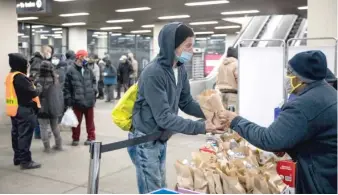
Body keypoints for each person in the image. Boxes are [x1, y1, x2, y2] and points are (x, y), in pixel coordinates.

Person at [219, 50, 337, 194]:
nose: (287, 77)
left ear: (301, 78)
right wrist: (289, 145)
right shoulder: (329, 93)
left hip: (320, 181)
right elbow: (317, 135)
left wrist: (235, 120)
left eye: (290, 72)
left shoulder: (303, 105)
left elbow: (269, 139)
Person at [128, 22, 225, 194]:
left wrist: (213, 113)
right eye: (188, 45)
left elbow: (186, 102)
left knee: (159, 186)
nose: (191, 50)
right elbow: (163, 116)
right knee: (152, 190)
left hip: (161, 136)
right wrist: (202, 126)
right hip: (145, 139)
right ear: (172, 46)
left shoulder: (179, 69)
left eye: (192, 45)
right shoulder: (153, 73)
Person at [6, 53, 42, 169]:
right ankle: (26, 161)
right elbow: (33, 92)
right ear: (20, 64)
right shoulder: (20, 77)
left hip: (14, 109)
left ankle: (18, 158)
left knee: (16, 135)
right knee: (24, 136)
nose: (27, 65)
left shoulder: (11, 75)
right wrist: (38, 86)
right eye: (25, 63)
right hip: (24, 110)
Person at [64, 50, 97, 146]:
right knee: (76, 122)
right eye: (85, 57)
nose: (87, 59)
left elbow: (94, 81)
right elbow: (66, 87)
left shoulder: (88, 69)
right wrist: (69, 99)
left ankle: (91, 137)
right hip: (77, 101)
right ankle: (75, 138)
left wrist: (94, 91)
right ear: (80, 57)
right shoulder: (70, 70)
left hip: (89, 100)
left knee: (90, 122)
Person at [36, 61, 63, 152]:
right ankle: (59, 145)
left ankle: (47, 148)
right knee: (55, 126)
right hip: (54, 106)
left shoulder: (38, 80)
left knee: (43, 127)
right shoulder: (55, 79)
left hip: (42, 107)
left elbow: (37, 93)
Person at [29, 45, 54, 140]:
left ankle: (40, 132)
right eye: (49, 51)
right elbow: (34, 75)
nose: (50, 54)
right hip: (39, 89)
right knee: (38, 112)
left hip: (43, 88)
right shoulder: (37, 61)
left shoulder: (43, 60)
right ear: (44, 51)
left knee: (41, 112)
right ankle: (38, 133)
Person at [215, 47, 238, 111]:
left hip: (222, 93)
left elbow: (217, 79)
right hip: (232, 94)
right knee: (232, 115)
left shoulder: (221, 65)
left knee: (224, 116)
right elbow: (238, 78)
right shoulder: (235, 64)